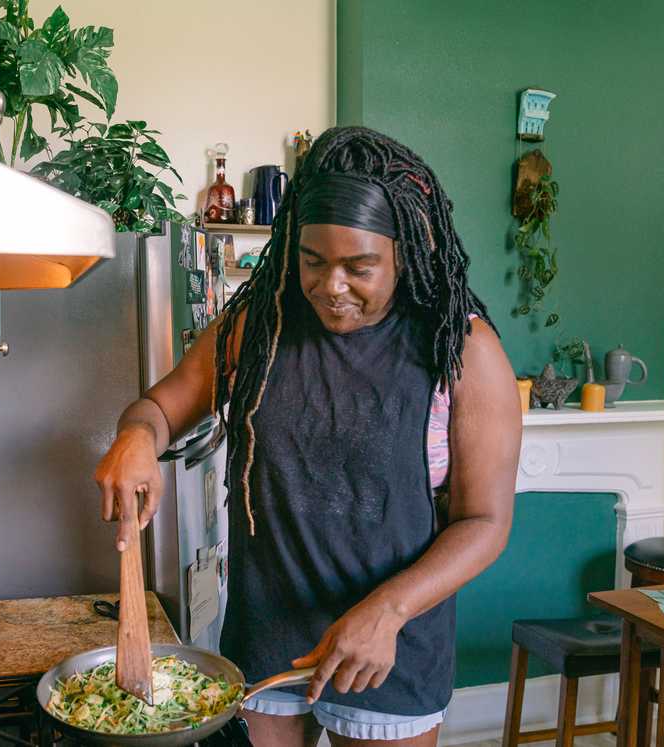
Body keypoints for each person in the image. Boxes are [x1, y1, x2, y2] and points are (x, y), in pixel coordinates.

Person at [94, 126, 521, 747]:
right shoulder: (258, 324)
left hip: (387, 651)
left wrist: (388, 611)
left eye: (359, 266)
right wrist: (136, 436)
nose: (331, 285)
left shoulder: (463, 351)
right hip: (266, 638)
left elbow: (485, 522)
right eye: (312, 261)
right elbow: (160, 408)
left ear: (405, 251)